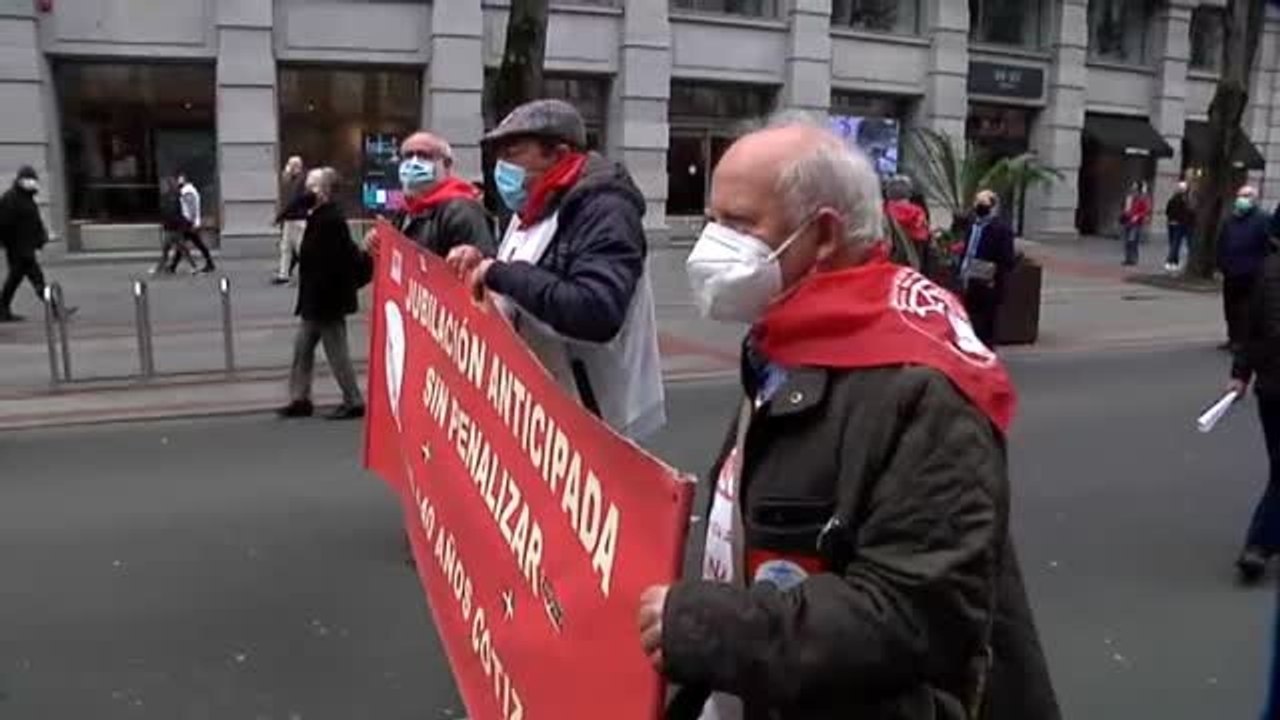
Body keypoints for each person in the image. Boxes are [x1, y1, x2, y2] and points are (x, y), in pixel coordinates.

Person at [641, 119, 1059, 720]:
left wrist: (705, 627)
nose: (712, 245)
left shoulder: (922, 389)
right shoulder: (789, 340)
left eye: (738, 224)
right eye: (711, 220)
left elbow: (913, 614)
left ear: (826, 235)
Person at [446, 99, 665, 441]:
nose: (501, 167)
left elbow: (595, 310)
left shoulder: (605, 209)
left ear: (558, 154)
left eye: (513, 152)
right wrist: (481, 264)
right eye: (498, 155)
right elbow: (523, 279)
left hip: (596, 418)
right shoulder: (529, 206)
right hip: (544, 413)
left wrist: (500, 273)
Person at [277, 168, 371, 421]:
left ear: (326, 191)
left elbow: (341, 261)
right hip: (315, 300)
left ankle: (353, 401)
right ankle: (300, 399)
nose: (308, 190)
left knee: (336, 352)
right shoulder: (319, 216)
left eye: (313, 186)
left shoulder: (331, 219)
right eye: (307, 185)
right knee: (302, 349)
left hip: (327, 301)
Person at [1228, 229, 1280, 581]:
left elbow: (1251, 325)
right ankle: (1259, 544)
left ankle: (1261, 543)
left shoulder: (1269, 269)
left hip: (1270, 386)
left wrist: (1241, 372)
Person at [388, 132, 495, 257]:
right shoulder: (405, 212)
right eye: (408, 156)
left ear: (447, 164)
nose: (414, 163)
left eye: (424, 156)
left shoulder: (462, 210)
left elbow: (477, 264)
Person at [0, 166, 67, 322]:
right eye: (28, 180)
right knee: (34, 278)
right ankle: (55, 310)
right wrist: (8, 243)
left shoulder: (27, 198)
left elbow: (34, 222)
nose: (32, 183)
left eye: (33, 180)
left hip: (25, 247)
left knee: (17, 280)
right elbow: (4, 224)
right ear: (20, 181)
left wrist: (42, 237)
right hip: (18, 248)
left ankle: (3, 309)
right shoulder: (11, 199)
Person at [958, 189, 1016, 347]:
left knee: (987, 322)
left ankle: (987, 352)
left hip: (989, 282)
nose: (979, 206)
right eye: (978, 203)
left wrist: (994, 275)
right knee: (971, 318)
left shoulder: (1001, 229)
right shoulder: (972, 226)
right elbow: (967, 250)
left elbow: (1007, 259)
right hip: (969, 278)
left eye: (984, 204)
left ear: (993, 206)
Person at [1220, 185, 1271, 352]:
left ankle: (1242, 340)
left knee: (1246, 309)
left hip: (1252, 273)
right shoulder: (1231, 219)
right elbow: (1222, 241)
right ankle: (1232, 337)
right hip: (1231, 271)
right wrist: (1221, 263)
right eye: (1240, 195)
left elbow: (1268, 246)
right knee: (1230, 307)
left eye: (1246, 196)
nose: (1242, 199)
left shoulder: (1263, 219)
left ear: (1254, 199)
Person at [170, 172, 215, 274]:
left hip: (188, 223)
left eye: (178, 180)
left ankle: (173, 266)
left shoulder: (187, 191)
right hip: (189, 222)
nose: (176, 182)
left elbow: (192, 208)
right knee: (191, 244)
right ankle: (210, 263)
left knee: (186, 244)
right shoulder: (187, 190)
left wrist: (192, 222)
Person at [273, 156, 308, 285]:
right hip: (291, 217)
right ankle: (283, 274)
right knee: (286, 247)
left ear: (296, 167)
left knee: (300, 248)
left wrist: (280, 216)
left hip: (298, 218)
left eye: (290, 165)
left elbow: (293, 201)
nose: (288, 168)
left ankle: (307, 273)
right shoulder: (293, 180)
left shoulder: (300, 181)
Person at [1165, 180, 1194, 272]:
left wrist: (1171, 219)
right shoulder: (1185, 201)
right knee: (1176, 243)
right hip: (1182, 224)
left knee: (1174, 243)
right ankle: (1171, 261)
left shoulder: (1173, 199)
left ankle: (1173, 262)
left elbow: (1167, 211)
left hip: (1174, 223)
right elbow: (1187, 213)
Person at [1120, 181, 1151, 267]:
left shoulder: (1142, 198)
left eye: (1135, 187)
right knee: (1127, 241)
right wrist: (1123, 213)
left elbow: (1145, 211)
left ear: (1138, 189)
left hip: (1136, 223)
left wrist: (1138, 216)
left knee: (1132, 240)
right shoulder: (1128, 197)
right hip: (1127, 221)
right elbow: (1124, 207)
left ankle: (1133, 259)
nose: (1133, 189)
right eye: (1132, 187)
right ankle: (1128, 258)